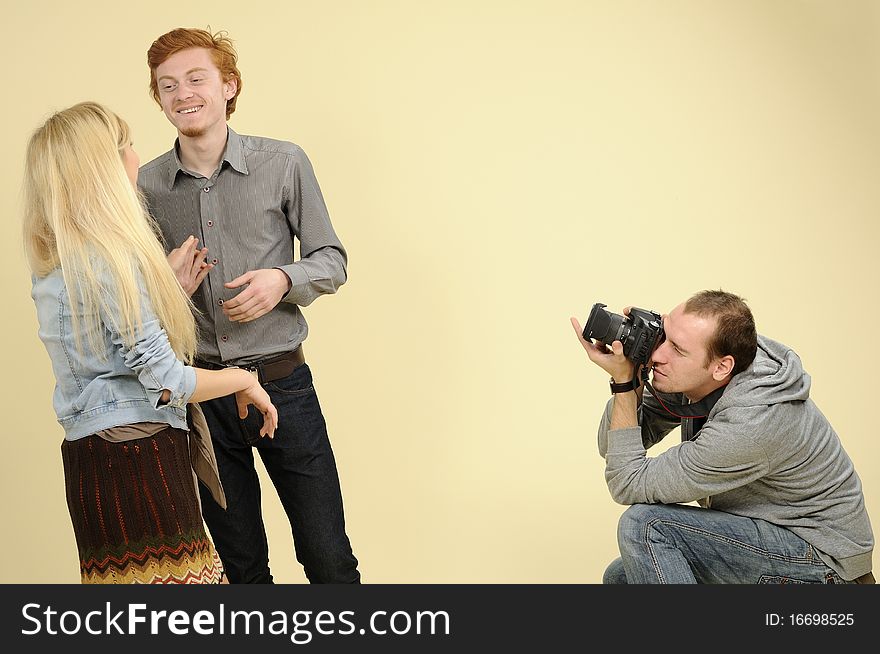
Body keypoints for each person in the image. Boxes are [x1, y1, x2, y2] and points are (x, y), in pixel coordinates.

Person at [23, 101, 279, 584]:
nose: (135, 157)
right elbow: (165, 382)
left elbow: (102, 352)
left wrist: (167, 294)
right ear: (103, 170)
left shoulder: (56, 265)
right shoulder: (114, 262)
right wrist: (243, 378)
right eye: (123, 147)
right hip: (139, 459)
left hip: (88, 462)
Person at [138, 28, 360, 584]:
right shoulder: (145, 187)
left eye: (196, 78)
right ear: (158, 99)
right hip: (201, 396)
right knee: (241, 569)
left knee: (328, 557)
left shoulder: (283, 163)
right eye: (167, 85)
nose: (182, 93)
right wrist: (172, 290)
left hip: (283, 385)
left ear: (229, 85)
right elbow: (136, 304)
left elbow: (331, 258)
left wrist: (284, 280)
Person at [570, 290, 874, 584]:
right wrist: (633, 372)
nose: (658, 355)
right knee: (621, 578)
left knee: (646, 526)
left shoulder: (753, 422)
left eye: (677, 349)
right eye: (664, 335)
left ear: (722, 367)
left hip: (826, 566)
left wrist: (624, 385)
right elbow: (612, 446)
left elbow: (626, 482)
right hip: (771, 539)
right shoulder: (709, 368)